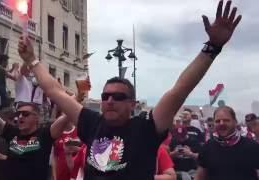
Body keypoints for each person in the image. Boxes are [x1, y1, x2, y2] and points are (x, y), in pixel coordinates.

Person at [17, 1, 242, 179]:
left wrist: (212, 47)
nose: (110, 100)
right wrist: (32, 61)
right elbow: (54, 91)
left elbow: (179, 90)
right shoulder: (91, 122)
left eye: (118, 96)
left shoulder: (146, 127)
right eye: (105, 96)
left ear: (132, 103)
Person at [195, 106, 259, 180]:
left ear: (235, 122)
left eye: (226, 120)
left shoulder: (252, 147)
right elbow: (200, 175)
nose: (221, 123)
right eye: (217, 121)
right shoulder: (207, 147)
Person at [169, 109, 204, 177]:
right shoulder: (174, 131)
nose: (184, 115)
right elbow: (167, 153)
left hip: (192, 169)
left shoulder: (196, 130)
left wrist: (190, 153)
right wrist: (175, 153)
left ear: (191, 117)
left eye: (187, 114)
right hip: (176, 169)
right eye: (183, 114)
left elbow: (202, 154)